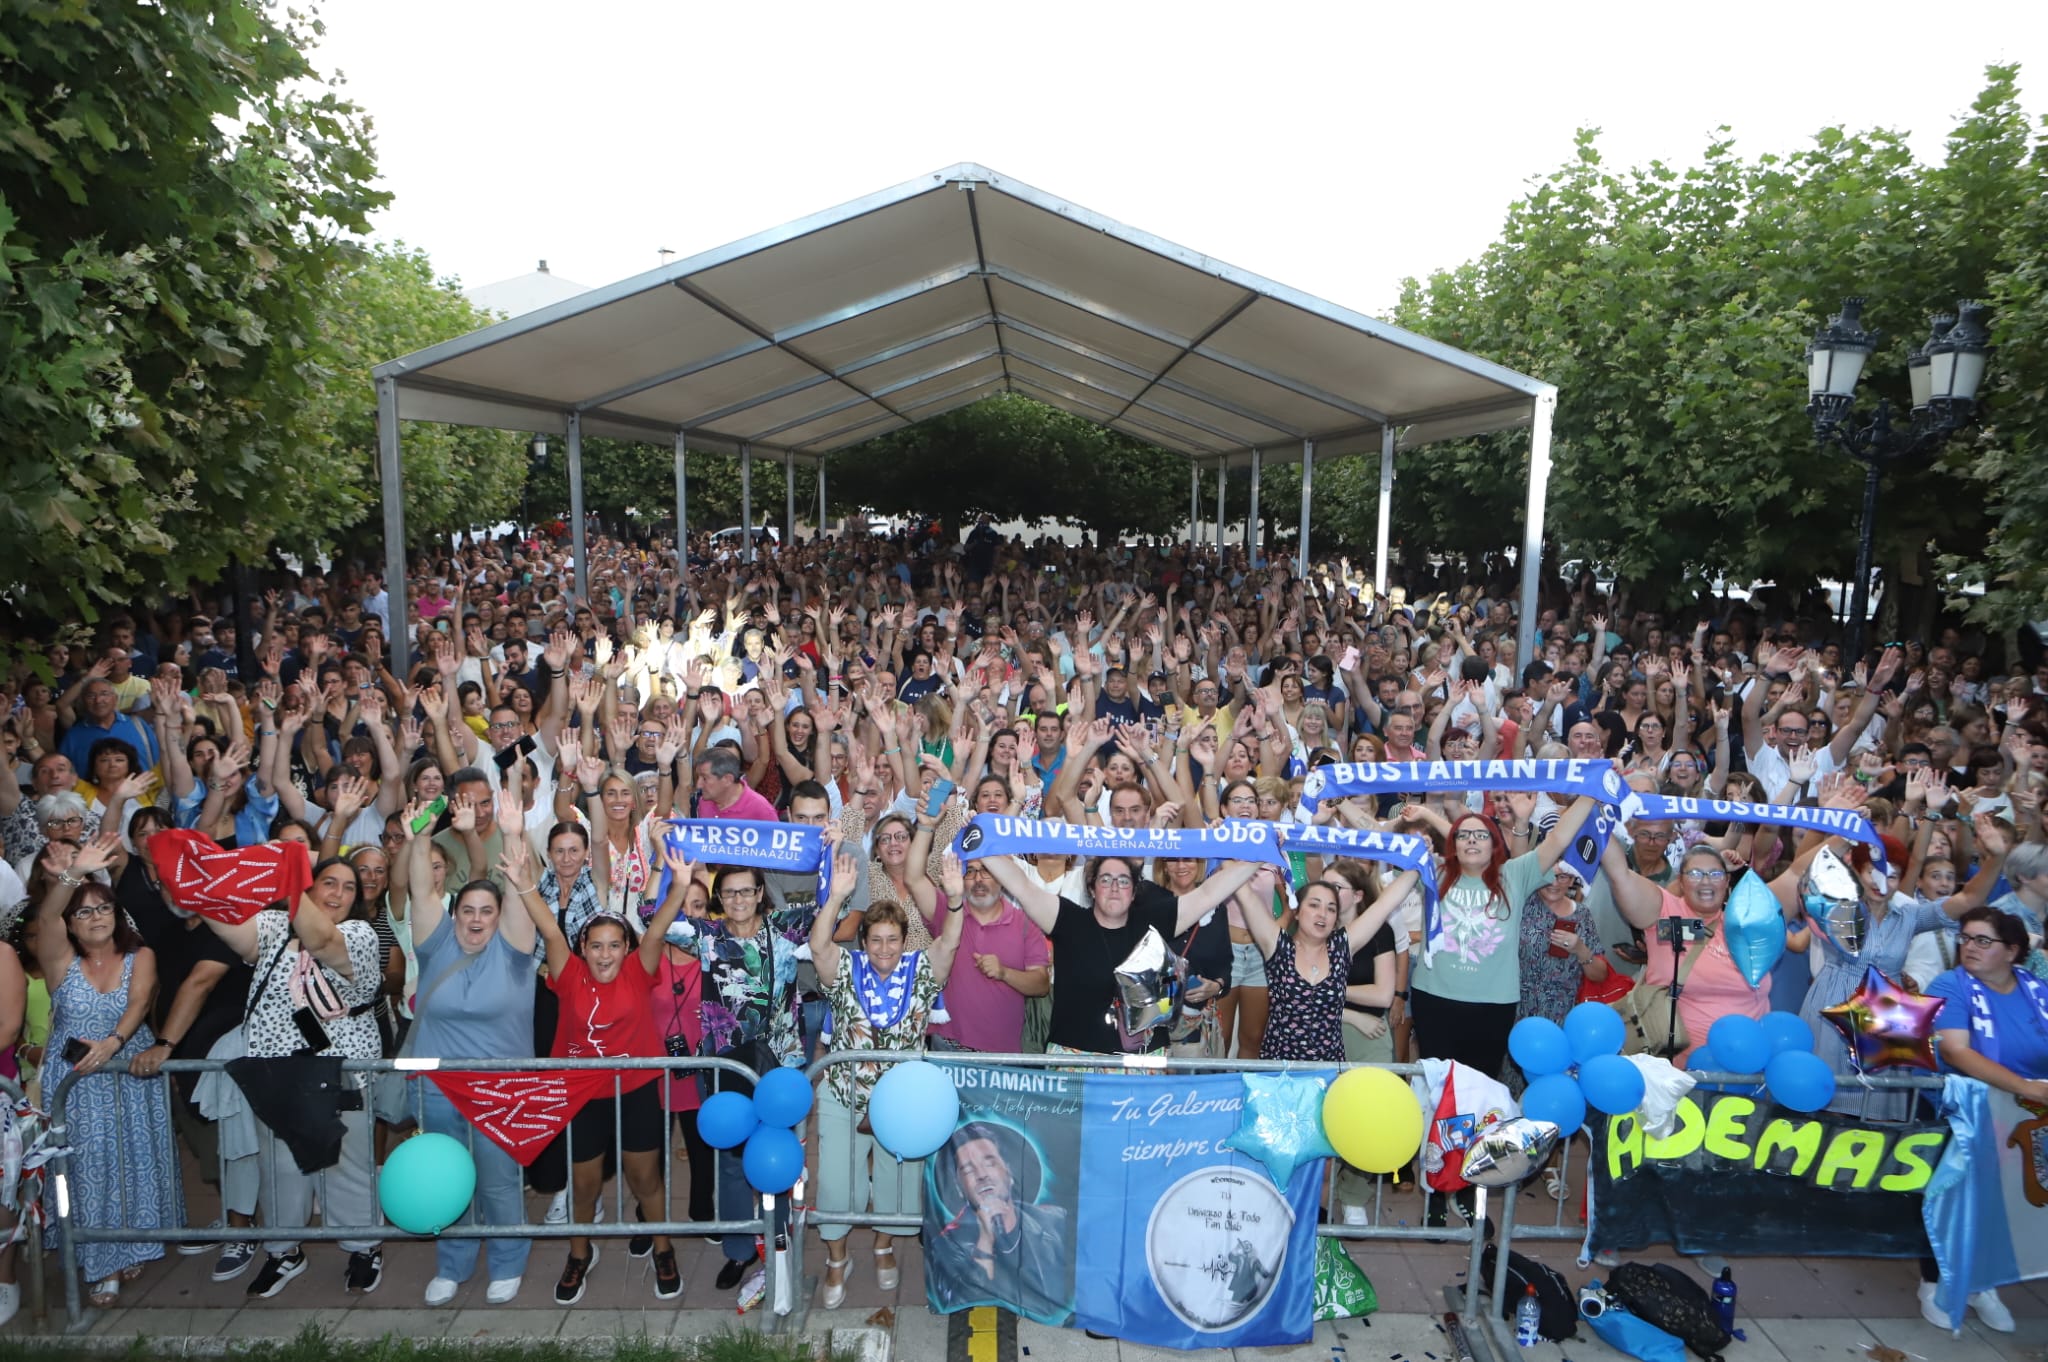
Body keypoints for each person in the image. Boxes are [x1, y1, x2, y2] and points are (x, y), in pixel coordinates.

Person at [198, 855, 385, 1299]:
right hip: (277, 1073)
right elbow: (229, 927)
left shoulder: (358, 936)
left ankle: (363, 1248)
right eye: (327, 883)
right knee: (279, 1170)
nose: (337, 894)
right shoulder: (275, 927)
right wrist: (194, 882)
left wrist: (291, 886)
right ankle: (283, 1253)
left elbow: (320, 940)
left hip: (342, 1074)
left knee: (346, 1166)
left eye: (348, 888)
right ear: (312, 887)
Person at [521, 839, 693, 1305]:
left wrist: (679, 885)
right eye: (595, 946)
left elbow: (657, 928)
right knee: (585, 1184)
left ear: (626, 949)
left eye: (614, 945)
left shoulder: (641, 969)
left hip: (636, 1089)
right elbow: (549, 932)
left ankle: (663, 1248)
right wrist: (523, 885)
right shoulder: (568, 972)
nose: (604, 955)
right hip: (584, 1093)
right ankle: (580, 1253)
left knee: (645, 1179)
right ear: (583, 948)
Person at [398, 796, 539, 1307]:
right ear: (453, 912)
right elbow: (419, 887)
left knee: (499, 1182)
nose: (476, 919)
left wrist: (514, 836)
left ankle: (507, 1262)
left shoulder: (514, 951)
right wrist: (419, 836)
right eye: (468, 910)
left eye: (487, 911)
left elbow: (520, 893)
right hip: (439, 1090)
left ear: (499, 917)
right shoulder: (435, 944)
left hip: (500, 1090)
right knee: (446, 1177)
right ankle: (452, 1265)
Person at [810, 849, 964, 1308]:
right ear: (864, 943)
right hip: (843, 1096)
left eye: (892, 939)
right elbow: (819, 947)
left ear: (904, 940)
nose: (883, 948)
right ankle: (837, 1260)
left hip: (903, 1107)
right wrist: (836, 898)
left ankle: (882, 1249)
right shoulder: (846, 970)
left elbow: (950, 945)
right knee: (837, 1184)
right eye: (875, 939)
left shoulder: (921, 972)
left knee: (899, 1189)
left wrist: (954, 902)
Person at [32, 836, 182, 1308]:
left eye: (104, 909)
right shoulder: (60, 961)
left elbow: (139, 1003)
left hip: (125, 1074)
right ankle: (102, 1260)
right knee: (87, 1169)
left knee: (130, 1166)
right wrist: (75, 872)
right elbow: (45, 917)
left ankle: (126, 1248)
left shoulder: (142, 956)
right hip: (74, 1084)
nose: (96, 917)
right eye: (84, 912)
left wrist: (113, 1042)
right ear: (71, 926)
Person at [977, 851, 1261, 1055]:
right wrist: (980, 842)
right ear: (1091, 887)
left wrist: (1260, 855)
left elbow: (1208, 895)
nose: (1115, 888)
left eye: (1124, 881)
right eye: (1106, 880)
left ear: (1135, 890)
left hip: (1143, 1062)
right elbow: (1021, 887)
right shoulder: (1067, 919)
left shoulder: (1154, 919)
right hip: (1075, 1061)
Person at [1916, 906, 2044, 1333]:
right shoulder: (1949, 984)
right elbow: (1956, 1051)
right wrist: (2026, 1087)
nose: (1969, 947)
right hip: (1957, 1114)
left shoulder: (2037, 991)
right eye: (1966, 938)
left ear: (2012, 951)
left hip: (2020, 1119)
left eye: (1982, 941)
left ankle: (1981, 1282)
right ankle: (1933, 1283)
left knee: (2002, 1201)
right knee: (1947, 1197)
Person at [1231, 869, 1416, 1064]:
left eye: (1331, 909)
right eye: (1314, 905)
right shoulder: (1278, 946)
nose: (1323, 914)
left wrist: (1416, 864)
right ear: (1297, 912)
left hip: (1328, 1073)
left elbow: (1385, 903)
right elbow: (1245, 894)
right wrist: (1261, 845)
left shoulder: (1341, 947)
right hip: (1280, 1073)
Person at [927, 1121, 1073, 1324]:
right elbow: (959, 1299)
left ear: (1009, 1173)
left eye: (989, 1162)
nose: (982, 1175)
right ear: (959, 1188)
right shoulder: (946, 1242)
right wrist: (985, 1239)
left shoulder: (1053, 1221)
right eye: (968, 1170)